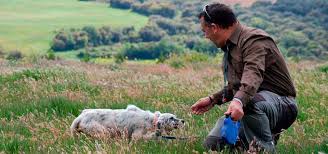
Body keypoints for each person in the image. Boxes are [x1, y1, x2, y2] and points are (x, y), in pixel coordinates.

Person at [191, 3, 298, 153]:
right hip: (254, 104)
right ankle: (248, 143)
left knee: (249, 102)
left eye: (205, 31)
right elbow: (238, 85)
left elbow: (253, 75)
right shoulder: (230, 47)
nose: (205, 36)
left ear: (214, 27)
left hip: (282, 104)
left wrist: (238, 101)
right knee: (213, 144)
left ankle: (263, 150)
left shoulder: (254, 40)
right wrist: (212, 99)